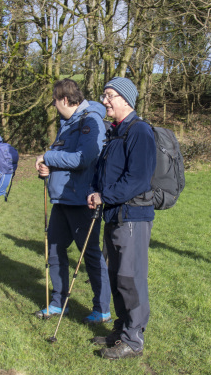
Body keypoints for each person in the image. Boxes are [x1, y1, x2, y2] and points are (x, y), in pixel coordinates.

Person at [87, 77, 156, 360]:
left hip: (133, 217)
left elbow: (138, 179)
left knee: (131, 277)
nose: (104, 101)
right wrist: (95, 190)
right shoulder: (115, 132)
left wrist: (105, 196)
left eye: (109, 95)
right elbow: (104, 172)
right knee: (116, 276)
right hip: (115, 215)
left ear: (125, 100)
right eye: (104, 95)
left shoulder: (139, 132)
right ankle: (121, 330)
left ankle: (134, 340)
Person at [33, 79, 112, 325]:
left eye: (55, 101)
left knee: (89, 254)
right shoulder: (68, 124)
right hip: (62, 199)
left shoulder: (90, 120)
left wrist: (48, 156)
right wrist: (47, 168)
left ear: (65, 100)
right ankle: (58, 303)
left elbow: (84, 158)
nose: (54, 106)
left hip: (82, 201)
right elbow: (62, 157)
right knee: (54, 249)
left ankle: (102, 309)